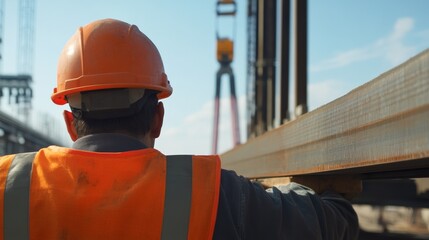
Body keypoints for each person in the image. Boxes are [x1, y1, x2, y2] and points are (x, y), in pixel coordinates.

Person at [0, 18, 359, 239]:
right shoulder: (212, 195)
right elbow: (334, 223)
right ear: (158, 119)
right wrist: (303, 190)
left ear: (70, 123)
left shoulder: (7, 186)